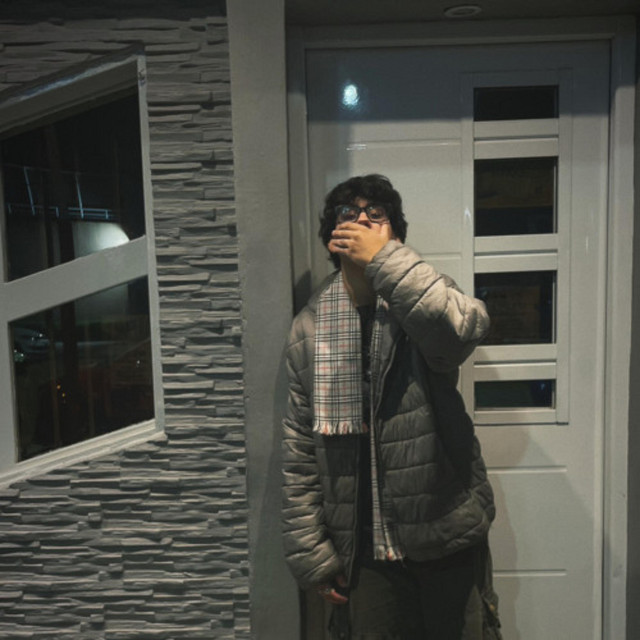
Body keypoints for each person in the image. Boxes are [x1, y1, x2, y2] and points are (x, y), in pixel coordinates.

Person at [282, 174, 501, 639]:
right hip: (362, 551)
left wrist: (385, 260)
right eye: (349, 213)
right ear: (332, 237)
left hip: (444, 532)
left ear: (395, 234)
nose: (362, 219)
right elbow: (299, 448)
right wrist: (312, 553)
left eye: (376, 214)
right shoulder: (309, 328)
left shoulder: (423, 296)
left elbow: (462, 332)